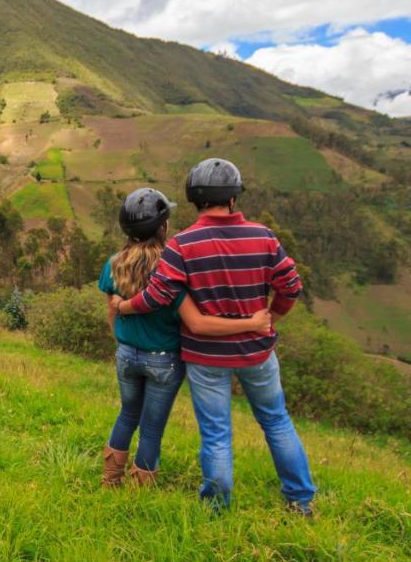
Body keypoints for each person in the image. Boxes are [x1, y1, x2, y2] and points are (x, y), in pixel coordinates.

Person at [111, 160, 317, 515]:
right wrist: (270, 318)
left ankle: (217, 508)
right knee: (277, 421)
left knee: (216, 433)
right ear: (233, 199)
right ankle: (300, 500)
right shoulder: (263, 236)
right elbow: (291, 286)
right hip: (257, 352)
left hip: (205, 357)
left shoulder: (182, 244)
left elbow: (157, 297)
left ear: (195, 201)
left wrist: (125, 306)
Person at [100, 187, 271, 488]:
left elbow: (112, 312)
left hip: (127, 354)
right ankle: (140, 489)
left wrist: (124, 343)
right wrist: (252, 322)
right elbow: (193, 319)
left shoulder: (114, 263)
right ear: (162, 226)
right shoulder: (172, 265)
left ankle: (110, 479)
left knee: (127, 414)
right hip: (164, 359)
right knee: (152, 428)